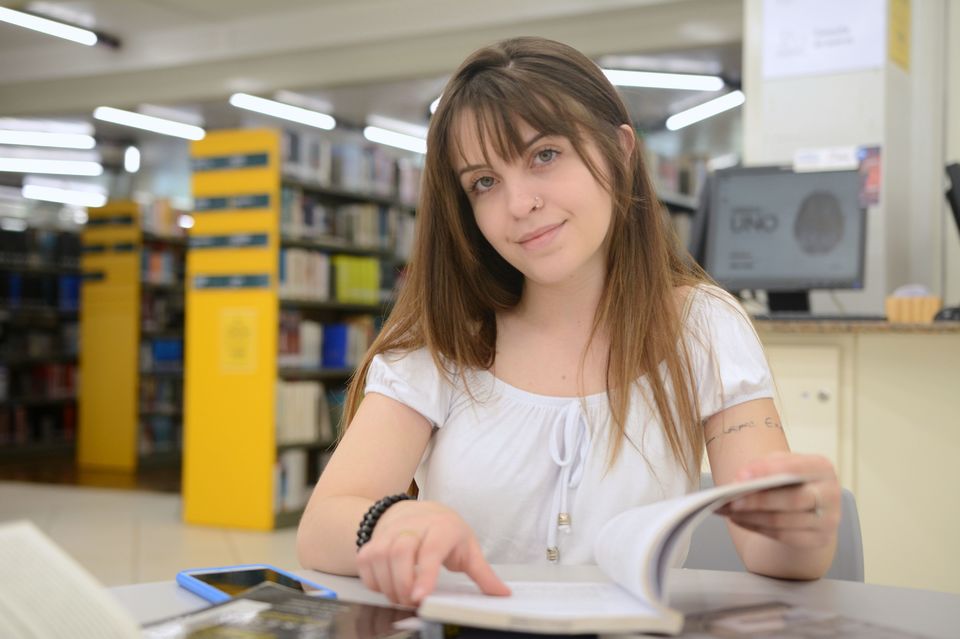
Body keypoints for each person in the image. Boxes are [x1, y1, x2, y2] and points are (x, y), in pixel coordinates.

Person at [296, 36, 841, 607]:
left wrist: (805, 526)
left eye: (544, 155)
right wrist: (389, 525)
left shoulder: (704, 326)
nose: (519, 203)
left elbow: (771, 552)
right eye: (484, 182)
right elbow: (322, 527)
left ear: (620, 151)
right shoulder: (445, 342)